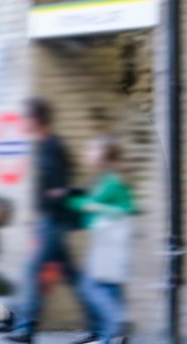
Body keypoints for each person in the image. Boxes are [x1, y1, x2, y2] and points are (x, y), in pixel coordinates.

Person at [6, 98, 100, 344]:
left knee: (33, 271)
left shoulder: (52, 146)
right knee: (73, 276)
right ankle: (99, 324)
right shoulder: (45, 145)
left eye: (26, 118)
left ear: (36, 120)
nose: (23, 123)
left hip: (53, 222)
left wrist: (54, 196)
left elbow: (60, 186)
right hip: (49, 222)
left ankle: (26, 328)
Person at [67, 136, 134, 344]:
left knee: (94, 285)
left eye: (92, 150)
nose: (88, 154)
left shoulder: (111, 180)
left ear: (103, 155)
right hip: (105, 240)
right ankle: (111, 334)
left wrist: (71, 200)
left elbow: (126, 209)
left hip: (109, 242)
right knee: (108, 286)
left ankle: (114, 328)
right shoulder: (105, 177)